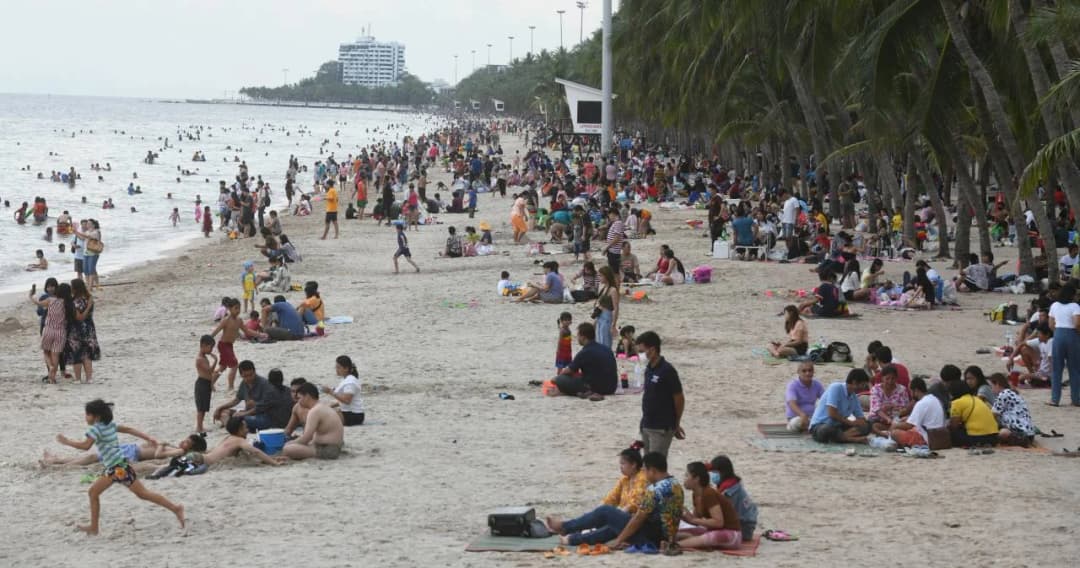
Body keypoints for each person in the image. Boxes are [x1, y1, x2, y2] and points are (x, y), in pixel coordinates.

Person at [55, 399, 184, 535]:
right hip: (119, 466)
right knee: (137, 494)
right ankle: (94, 527)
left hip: (117, 469)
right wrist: (148, 438)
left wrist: (67, 442)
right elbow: (129, 429)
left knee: (99, 493)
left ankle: (176, 508)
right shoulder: (109, 425)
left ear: (96, 416)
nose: (85, 417)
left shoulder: (95, 429)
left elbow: (85, 446)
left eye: (87, 414)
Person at [545, 449, 648, 545]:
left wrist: (614, 513)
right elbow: (611, 498)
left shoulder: (641, 479)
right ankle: (569, 532)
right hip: (624, 517)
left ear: (634, 464)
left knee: (608, 525)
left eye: (623, 464)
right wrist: (598, 513)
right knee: (600, 516)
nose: (620, 467)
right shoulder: (625, 480)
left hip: (634, 521)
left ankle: (567, 532)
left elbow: (634, 504)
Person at [609, 452, 685, 553]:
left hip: (653, 537)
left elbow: (639, 518)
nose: (643, 473)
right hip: (668, 537)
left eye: (645, 470)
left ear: (653, 470)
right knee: (611, 525)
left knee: (606, 512)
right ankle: (581, 537)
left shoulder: (654, 489)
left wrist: (618, 540)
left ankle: (580, 534)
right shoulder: (677, 485)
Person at [636, 331, 685, 457]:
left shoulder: (667, 370)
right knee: (647, 466)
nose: (640, 355)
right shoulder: (649, 369)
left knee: (656, 466)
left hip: (661, 427)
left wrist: (676, 423)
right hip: (647, 424)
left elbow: (679, 398)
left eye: (642, 351)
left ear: (652, 349)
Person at [676, 462, 741, 550]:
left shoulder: (708, 493)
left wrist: (693, 519)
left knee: (707, 537)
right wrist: (683, 514)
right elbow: (695, 521)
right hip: (714, 530)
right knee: (680, 533)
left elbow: (718, 522)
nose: (684, 479)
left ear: (696, 479)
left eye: (687, 476)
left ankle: (676, 545)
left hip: (731, 534)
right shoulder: (696, 494)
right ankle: (688, 541)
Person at [552, 322, 618, 398]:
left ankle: (584, 392)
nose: (577, 338)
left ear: (583, 337)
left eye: (578, 336)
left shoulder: (584, 352)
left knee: (560, 379)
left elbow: (567, 371)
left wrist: (555, 379)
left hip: (595, 388)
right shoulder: (606, 349)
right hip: (612, 388)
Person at [282, 383, 346, 460]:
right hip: (332, 447)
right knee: (292, 445)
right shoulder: (322, 406)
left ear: (307, 396)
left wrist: (289, 444)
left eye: (299, 398)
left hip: (328, 450)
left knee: (287, 449)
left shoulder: (315, 411)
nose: (298, 402)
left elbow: (306, 438)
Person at [809, 369, 872, 443]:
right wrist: (851, 423)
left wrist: (861, 422)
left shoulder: (854, 397)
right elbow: (832, 413)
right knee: (826, 430)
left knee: (868, 425)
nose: (863, 388)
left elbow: (861, 418)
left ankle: (843, 436)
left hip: (838, 426)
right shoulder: (836, 387)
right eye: (863, 385)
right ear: (854, 382)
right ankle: (849, 438)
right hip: (820, 425)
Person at [210, 298, 260, 390]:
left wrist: (259, 334)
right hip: (223, 345)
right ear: (229, 309)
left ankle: (211, 382)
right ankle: (231, 386)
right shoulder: (226, 320)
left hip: (229, 346)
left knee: (222, 367)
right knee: (234, 365)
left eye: (239, 308)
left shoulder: (239, 320)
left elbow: (247, 331)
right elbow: (216, 331)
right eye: (236, 308)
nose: (238, 311)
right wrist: (208, 341)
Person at [212, 361, 275, 431]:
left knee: (239, 418)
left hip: (261, 415)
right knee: (223, 412)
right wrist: (219, 408)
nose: (248, 378)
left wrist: (244, 413)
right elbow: (236, 401)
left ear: (254, 372)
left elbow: (264, 407)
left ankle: (232, 426)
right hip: (247, 412)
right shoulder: (244, 383)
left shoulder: (264, 384)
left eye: (251, 375)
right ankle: (231, 426)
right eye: (245, 376)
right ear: (241, 375)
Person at [30, 281, 73, 384]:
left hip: (49, 329)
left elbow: (38, 303)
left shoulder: (51, 300)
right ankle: (52, 377)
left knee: (46, 351)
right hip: (61, 332)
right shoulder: (68, 304)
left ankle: (51, 367)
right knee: (55, 355)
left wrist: (31, 296)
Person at [708, 455, 758, 541]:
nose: (712, 475)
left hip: (744, 528)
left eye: (714, 472)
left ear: (721, 472)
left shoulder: (730, 491)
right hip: (746, 524)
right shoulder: (732, 483)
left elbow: (724, 514)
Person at [1048, 282, 1080, 406]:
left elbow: (1051, 324)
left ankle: (1055, 399)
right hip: (1072, 335)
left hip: (1058, 335)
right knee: (1075, 369)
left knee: (1056, 369)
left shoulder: (1054, 305)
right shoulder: (1075, 306)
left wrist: (1058, 333)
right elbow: (1077, 323)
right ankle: (1076, 399)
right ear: (1072, 295)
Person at [889, 377, 946, 448]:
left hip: (928, 438)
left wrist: (894, 426)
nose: (911, 395)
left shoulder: (921, 403)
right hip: (940, 435)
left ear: (916, 390)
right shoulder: (934, 399)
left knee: (894, 433)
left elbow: (909, 425)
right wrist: (907, 419)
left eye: (911, 391)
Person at [67, 278, 100, 383]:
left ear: (75, 288)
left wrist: (87, 308)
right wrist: (89, 306)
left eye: (72, 286)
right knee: (87, 354)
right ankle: (89, 378)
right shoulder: (89, 298)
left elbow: (80, 317)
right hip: (89, 328)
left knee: (77, 353)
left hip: (76, 330)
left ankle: (77, 379)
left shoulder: (75, 301)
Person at [947, 379, 999, 447]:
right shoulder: (977, 399)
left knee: (952, 433)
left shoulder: (957, 402)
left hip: (977, 437)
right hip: (994, 437)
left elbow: (954, 425)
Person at [988, 373, 1036, 446]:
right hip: (1029, 433)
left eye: (992, 387)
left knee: (1002, 433)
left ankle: (1021, 441)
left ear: (997, 384)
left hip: (1020, 432)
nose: (991, 390)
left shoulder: (1003, 394)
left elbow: (993, 414)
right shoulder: (1012, 393)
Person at [321, 355, 365, 426]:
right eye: (336, 367)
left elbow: (347, 400)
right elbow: (344, 400)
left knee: (322, 417)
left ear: (346, 368)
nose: (336, 369)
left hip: (353, 415)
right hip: (348, 412)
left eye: (338, 367)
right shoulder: (346, 379)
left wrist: (330, 392)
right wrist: (330, 405)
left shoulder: (350, 382)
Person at [868, 364, 912, 434]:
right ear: (882, 378)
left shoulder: (902, 390)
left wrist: (898, 411)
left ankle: (888, 431)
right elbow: (877, 410)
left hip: (896, 419)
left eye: (893, 378)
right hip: (878, 419)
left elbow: (905, 408)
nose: (890, 381)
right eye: (887, 378)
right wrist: (888, 419)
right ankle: (887, 432)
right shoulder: (876, 389)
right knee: (872, 425)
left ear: (896, 378)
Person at [785, 361, 824, 432]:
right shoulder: (792, 385)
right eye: (804, 371)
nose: (807, 373)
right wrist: (802, 415)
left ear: (813, 372)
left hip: (812, 416)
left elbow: (825, 399)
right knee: (795, 423)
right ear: (798, 372)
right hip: (796, 417)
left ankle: (810, 426)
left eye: (810, 370)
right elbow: (791, 403)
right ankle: (811, 427)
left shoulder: (817, 384)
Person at [194, 335, 220, 433]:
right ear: (203, 345)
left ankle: (201, 426)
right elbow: (209, 371)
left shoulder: (204, 357)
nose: (211, 350)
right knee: (201, 408)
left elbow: (208, 374)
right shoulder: (199, 359)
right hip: (201, 384)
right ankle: (199, 427)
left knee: (204, 407)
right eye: (211, 347)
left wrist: (211, 384)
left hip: (206, 383)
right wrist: (215, 361)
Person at [594, 266, 621, 348]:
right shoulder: (603, 288)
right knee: (599, 341)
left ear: (606, 276)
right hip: (599, 317)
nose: (599, 278)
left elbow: (616, 308)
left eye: (601, 276)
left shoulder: (612, 290)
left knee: (605, 343)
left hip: (607, 318)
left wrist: (613, 324)